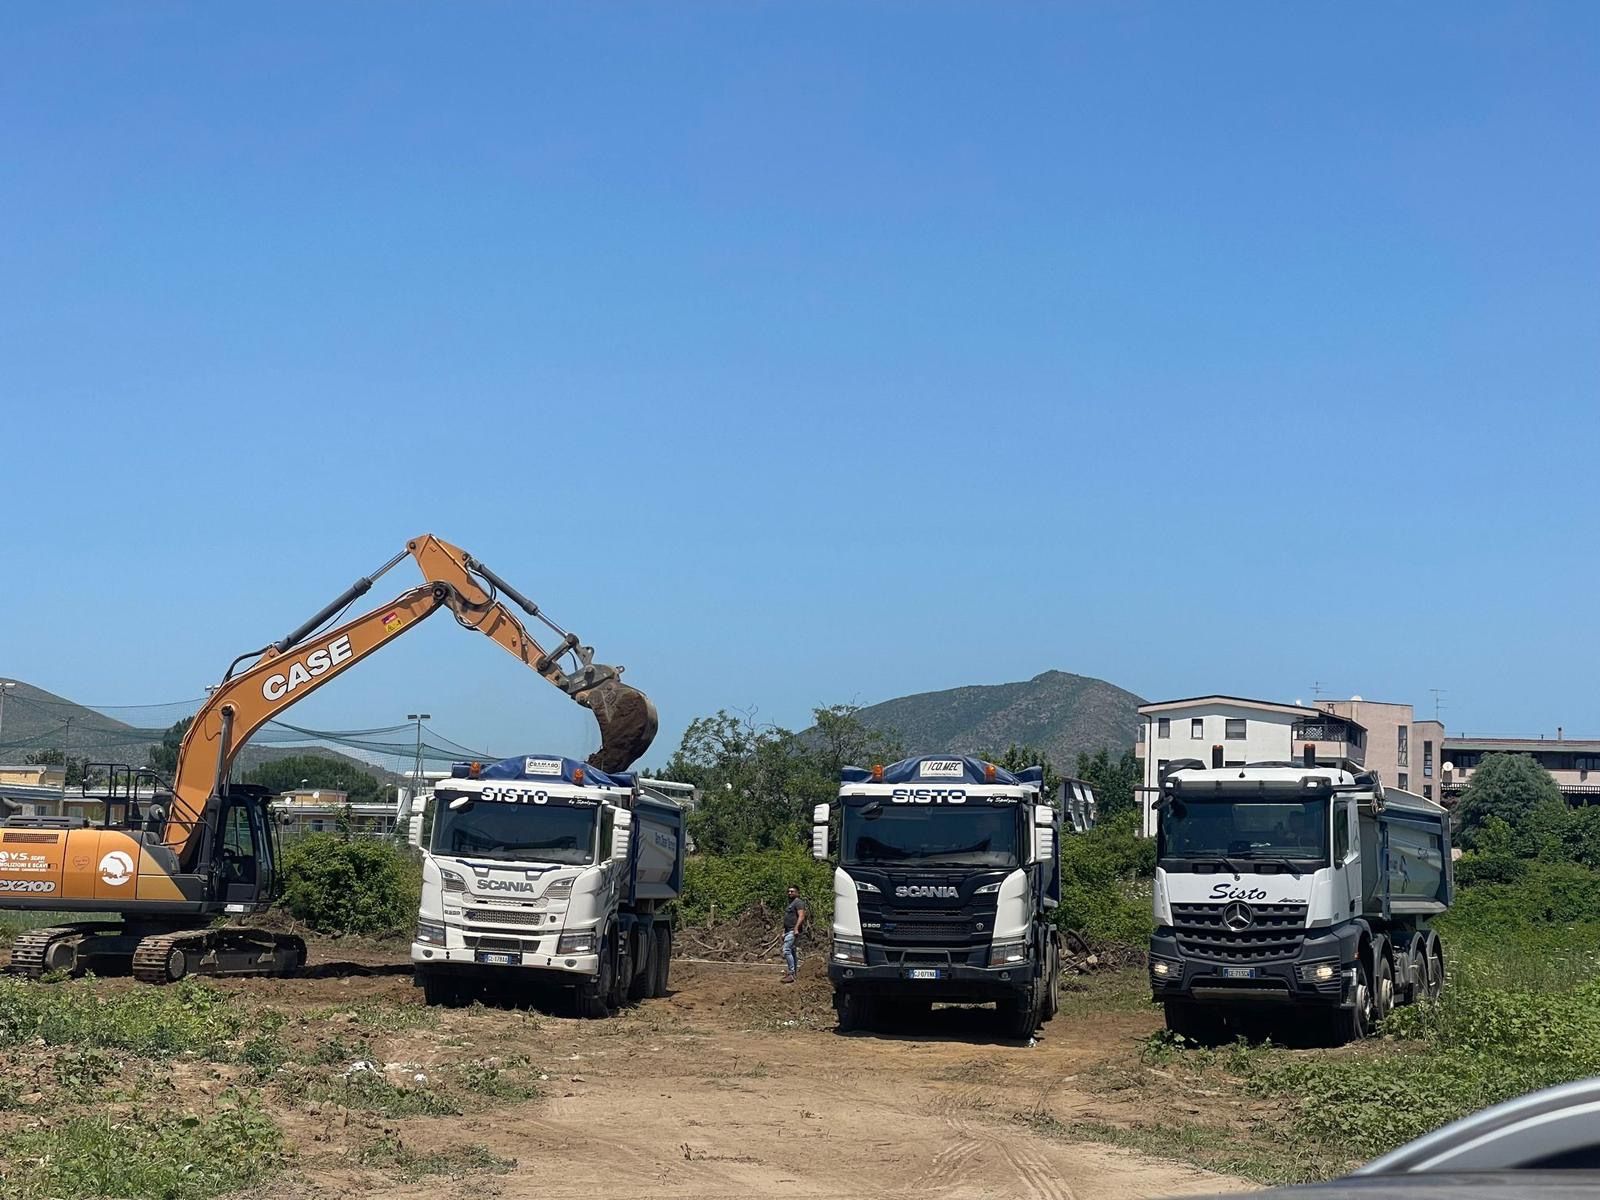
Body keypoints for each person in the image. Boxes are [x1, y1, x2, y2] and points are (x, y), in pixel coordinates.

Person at [782, 885, 807, 983]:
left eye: (792, 891)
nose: (790, 893)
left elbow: (801, 916)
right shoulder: (790, 904)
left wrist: (796, 928)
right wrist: (783, 932)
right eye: (788, 891)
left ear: (797, 893)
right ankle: (794, 973)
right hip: (788, 930)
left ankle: (791, 973)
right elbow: (787, 918)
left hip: (793, 930)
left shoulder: (798, 902)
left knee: (786, 950)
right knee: (792, 951)